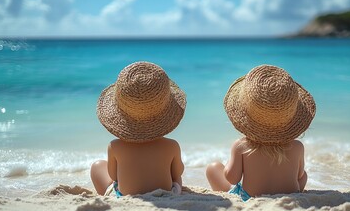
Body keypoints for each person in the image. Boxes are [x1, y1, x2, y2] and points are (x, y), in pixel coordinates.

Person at [206, 64, 316, 201]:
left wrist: (229, 162)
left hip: (250, 197)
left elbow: (232, 178)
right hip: (289, 195)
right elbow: (300, 175)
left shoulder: (242, 146)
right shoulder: (298, 147)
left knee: (213, 168)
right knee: (303, 176)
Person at [91, 61, 186, 197]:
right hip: (165, 194)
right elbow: (177, 173)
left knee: (97, 166)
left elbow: (114, 176)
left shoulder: (115, 146)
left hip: (126, 196)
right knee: (177, 180)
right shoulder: (172, 146)